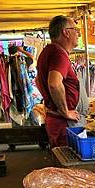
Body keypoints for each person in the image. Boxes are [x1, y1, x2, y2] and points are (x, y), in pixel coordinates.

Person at [35, 15, 80, 148]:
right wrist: (65, 111)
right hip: (62, 122)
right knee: (66, 164)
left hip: (55, 118)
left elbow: (38, 81)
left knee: (59, 161)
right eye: (75, 30)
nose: (78, 34)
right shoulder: (59, 54)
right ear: (66, 32)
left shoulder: (48, 51)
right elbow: (54, 83)